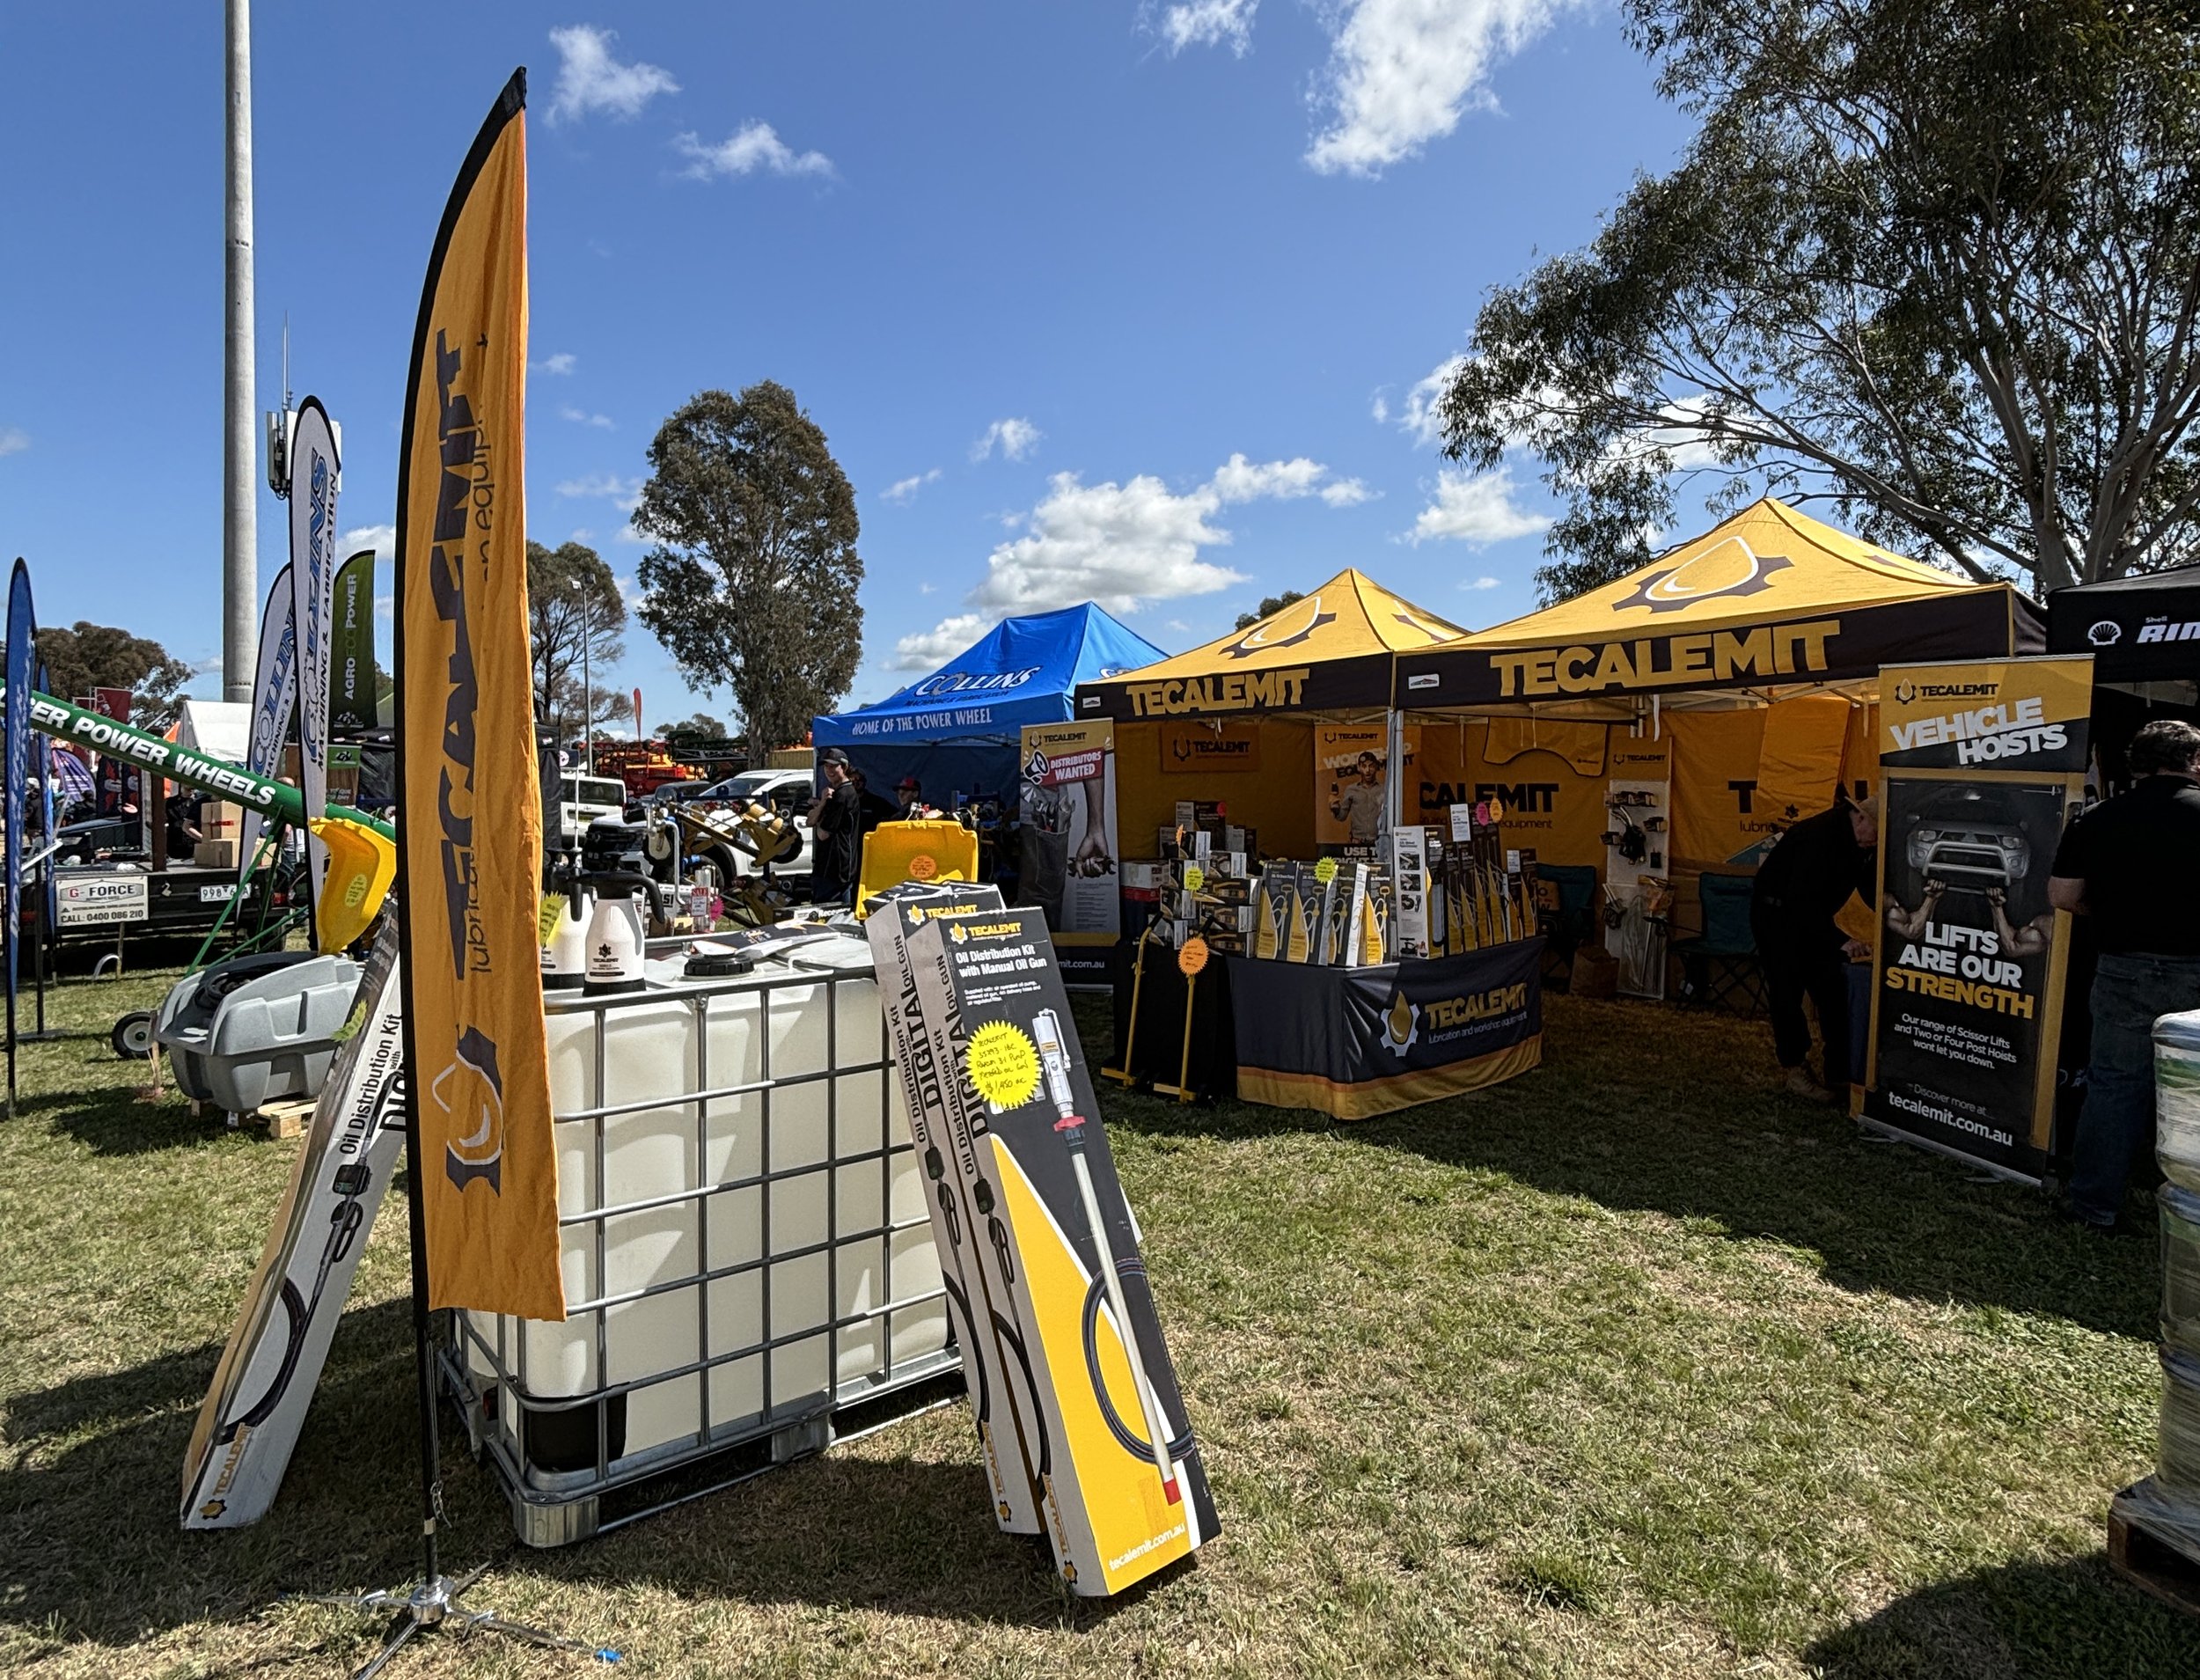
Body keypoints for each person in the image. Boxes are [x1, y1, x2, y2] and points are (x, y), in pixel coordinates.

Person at [2049, 718, 2200, 1230]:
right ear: (2192, 761)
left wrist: (2114, 910)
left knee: (2114, 1086)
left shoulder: (2097, 817)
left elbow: (2062, 896)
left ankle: (2094, 1206)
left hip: (2123, 968)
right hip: (2195, 971)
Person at [1751, 794, 1878, 1101]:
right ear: (1861, 818)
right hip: (1778, 916)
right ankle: (1795, 1068)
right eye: (1875, 834)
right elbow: (1800, 901)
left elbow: (1868, 883)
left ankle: (1840, 1072)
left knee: (1833, 990)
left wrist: (1891, 908)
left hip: (1812, 917)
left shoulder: (1860, 842)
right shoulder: (1818, 836)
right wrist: (1841, 940)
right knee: (1787, 992)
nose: (1874, 843)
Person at [806, 748, 862, 906]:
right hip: (834, 867)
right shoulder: (834, 793)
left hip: (835, 868)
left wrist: (819, 814)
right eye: (826, 766)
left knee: (831, 912)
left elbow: (823, 833)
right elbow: (809, 821)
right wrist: (822, 803)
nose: (829, 770)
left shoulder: (843, 795)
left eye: (833, 766)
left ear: (844, 767)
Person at [1329, 750, 1386, 846]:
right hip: (1357, 842)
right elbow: (1342, 817)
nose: (1367, 770)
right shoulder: (1351, 790)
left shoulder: (1384, 790)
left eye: (1371, 766)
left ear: (1376, 767)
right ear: (1359, 768)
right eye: (1364, 766)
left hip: (1379, 842)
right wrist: (1336, 809)